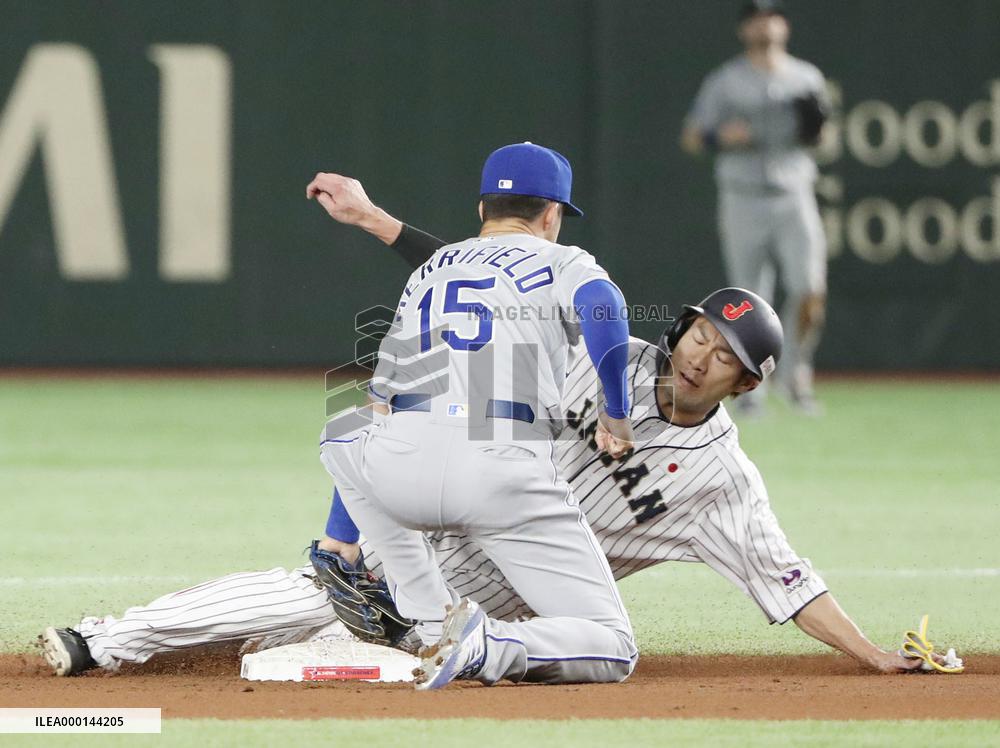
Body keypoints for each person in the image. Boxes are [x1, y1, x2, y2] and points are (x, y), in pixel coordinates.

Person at [39, 175, 930, 680]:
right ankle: (101, 641)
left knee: (323, 640)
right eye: (700, 333)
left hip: (490, 603)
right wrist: (379, 224)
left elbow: (787, 578)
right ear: (684, 327)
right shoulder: (599, 359)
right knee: (314, 602)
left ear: (749, 382)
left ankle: (363, 646)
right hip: (434, 536)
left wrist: (872, 656)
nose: (702, 355)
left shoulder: (719, 481)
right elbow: (488, 280)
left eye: (725, 354)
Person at [681, 0, 830, 416]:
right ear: (744, 28)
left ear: (784, 25)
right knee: (748, 300)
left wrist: (817, 128)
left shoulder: (806, 77)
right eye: (757, 18)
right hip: (743, 195)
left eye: (772, 16)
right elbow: (692, 137)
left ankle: (795, 373)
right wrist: (718, 137)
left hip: (793, 193)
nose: (765, 25)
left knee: (811, 289)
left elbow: (822, 138)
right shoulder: (726, 81)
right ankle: (750, 389)